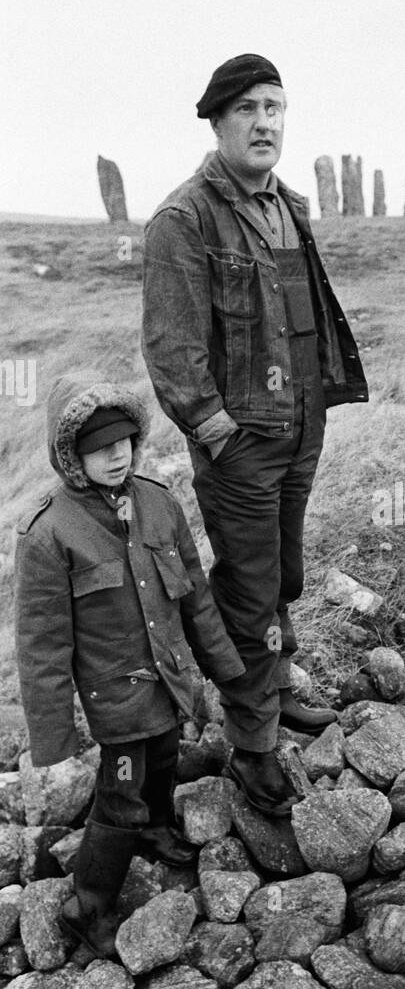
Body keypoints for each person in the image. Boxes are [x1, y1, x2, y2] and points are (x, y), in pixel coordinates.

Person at [141, 53, 368, 817]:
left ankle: (275, 688)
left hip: (301, 428)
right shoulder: (185, 219)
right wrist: (218, 435)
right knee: (247, 588)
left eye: (274, 106)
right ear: (217, 121)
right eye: (247, 109)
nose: (265, 122)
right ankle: (254, 744)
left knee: (285, 576)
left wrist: (316, 410)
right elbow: (172, 349)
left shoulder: (291, 205)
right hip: (242, 445)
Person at [14, 374, 245, 957]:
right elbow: (41, 648)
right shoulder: (47, 535)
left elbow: (195, 596)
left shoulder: (159, 502)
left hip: (169, 683)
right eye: (98, 448)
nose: (116, 456)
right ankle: (86, 905)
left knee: (166, 754)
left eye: (123, 442)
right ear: (71, 456)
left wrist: (225, 668)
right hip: (113, 702)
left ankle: (157, 827)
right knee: (120, 793)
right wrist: (55, 739)